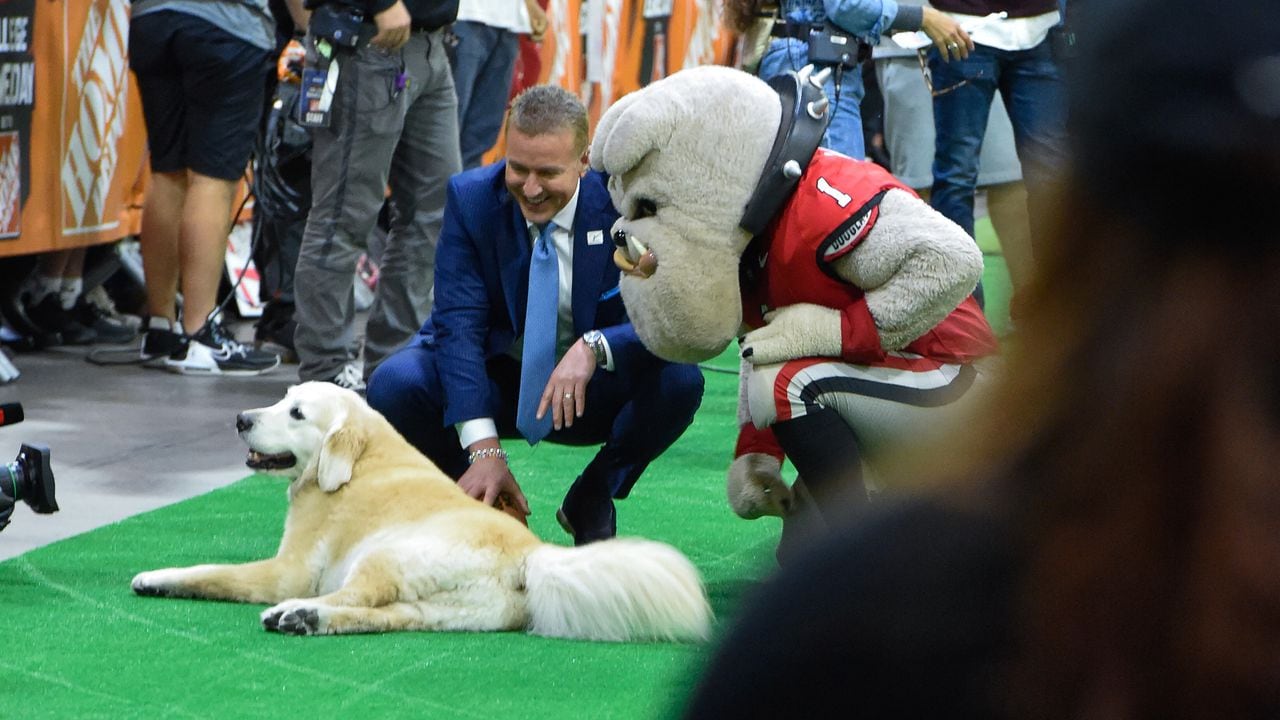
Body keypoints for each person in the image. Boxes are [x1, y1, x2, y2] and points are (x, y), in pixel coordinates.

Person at [681, 0, 1280, 716]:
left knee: (794, 375)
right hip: (931, 414)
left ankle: (825, 517)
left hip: (945, 400)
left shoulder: (844, 624)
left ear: (1063, 233)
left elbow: (948, 266)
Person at [366, 85, 704, 545]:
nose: (529, 187)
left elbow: (671, 315)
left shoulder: (627, 208)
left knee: (680, 380)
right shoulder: (471, 200)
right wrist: (484, 449)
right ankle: (481, 501)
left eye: (548, 172)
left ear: (585, 162)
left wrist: (595, 347)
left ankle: (593, 494)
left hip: (587, 390)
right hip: (496, 380)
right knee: (396, 383)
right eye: (517, 167)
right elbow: (458, 326)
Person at [292, 0, 462, 392]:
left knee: (433, 215)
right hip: (369, 40)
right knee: (343, 217)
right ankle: (324, 372)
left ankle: (394, 366)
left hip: (429, 44)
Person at [129, 0, 289, 375]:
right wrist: (302, 28)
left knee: (167, 171)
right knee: (212, 180)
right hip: (226, 26)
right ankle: (199, 333)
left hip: (150, 19)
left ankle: (161, 329)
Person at [872, 1, 1034, 299]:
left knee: (1009, 181)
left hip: (989, 34)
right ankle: (955, 323)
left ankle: (1038, 317)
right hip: (907, 40)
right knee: (923, 191)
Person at [723, 0, 975, 158]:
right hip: (818, 68)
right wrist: (923, 18)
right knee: (837, 201)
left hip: (800, 60)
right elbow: (847, 6)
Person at [926, 0, 1067, 261]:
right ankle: (960, 297)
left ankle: (1054, 298)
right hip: (961, 28)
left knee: (1051, 176)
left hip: (1042, 28)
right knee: (957, 174)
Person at [450, 0, 548, 169]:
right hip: (464, 15)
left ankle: (464, 193)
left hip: (508, 22)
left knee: (481, 134)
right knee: (446, 130)